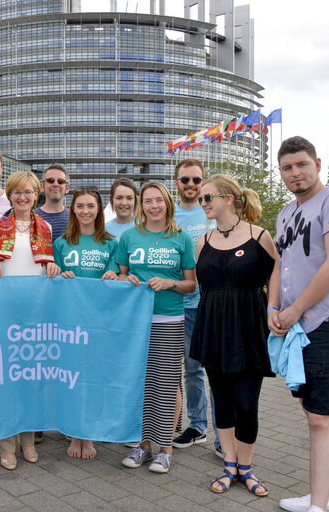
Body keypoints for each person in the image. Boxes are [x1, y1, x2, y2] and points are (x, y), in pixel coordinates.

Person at [269, 136, 329, 512]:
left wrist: (295, 309)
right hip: (298, 327)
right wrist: (272, 306)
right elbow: (280, 263)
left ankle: (319, 506)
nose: (295, 173)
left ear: (318, 164)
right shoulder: (285, 213)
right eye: (287, 168)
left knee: (321, 418)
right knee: (312, 411)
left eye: (302, 164)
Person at [189, 174, 277, 497]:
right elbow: (201, 284)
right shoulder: (203, 241)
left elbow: (276, 272)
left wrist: (272, 308)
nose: (202, 203)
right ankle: (230, 464)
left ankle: (246, 467)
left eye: (207, 197)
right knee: (222, 401)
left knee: (246, 404)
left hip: (248, 328)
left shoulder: (259, 236)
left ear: (228, 198)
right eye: (201, 198)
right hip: (213, 328)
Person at [0, 170, 61, 470]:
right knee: (5, 380)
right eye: (17, 191)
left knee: (30, 380)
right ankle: (6, 444)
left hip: (35, 314)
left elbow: (46, 267)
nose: (22, 197)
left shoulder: (46, 227)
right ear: (10, 195)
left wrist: (53, 269)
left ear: (36, 194)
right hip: (3, 311)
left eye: (28, 192)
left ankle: (27, 440)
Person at [117, 181, 197, 474]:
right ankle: (144, 445)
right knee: (140, 381)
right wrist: (125, 279)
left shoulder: (181, 238)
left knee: (167, 382)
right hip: (136, 320)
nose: (153, 206)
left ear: (168, 203)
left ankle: (166, 449)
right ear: (142, 206)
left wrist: (170, 283)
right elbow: (119, 275)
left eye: (158, 200)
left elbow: (191, 284)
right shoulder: (129, 236)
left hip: (169, 318)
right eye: (148, 201)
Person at [53, 186, 119, 459]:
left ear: (99, 209)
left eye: (91, 206)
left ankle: (88, 435)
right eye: (80, 206)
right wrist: (59, 275)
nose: (85, 211)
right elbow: (52, 279)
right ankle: (74, 432)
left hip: (99, 322)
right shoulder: (62, 243)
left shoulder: (111, 243)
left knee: (93, 379)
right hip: (70, 322)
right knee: (72, 378)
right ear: (73, 209)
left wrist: (114, 275)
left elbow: (117, 276)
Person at [170, 159, 217, 455]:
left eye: (196, 180)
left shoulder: (211, 210)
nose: (190, 185)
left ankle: (221, 436)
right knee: (190, 369)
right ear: (176, 182)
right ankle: (197, 426)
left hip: (210, 303)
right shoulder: (168, 214)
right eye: (185, 179)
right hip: (180, 303)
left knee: (215, 371)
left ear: (203, 182)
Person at [34, 163, 70, 243]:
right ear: (42, 186)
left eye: (60, 181)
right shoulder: (32, 217)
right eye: (50, 181)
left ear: (67, 188)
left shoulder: (75, 218)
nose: (55, 184)